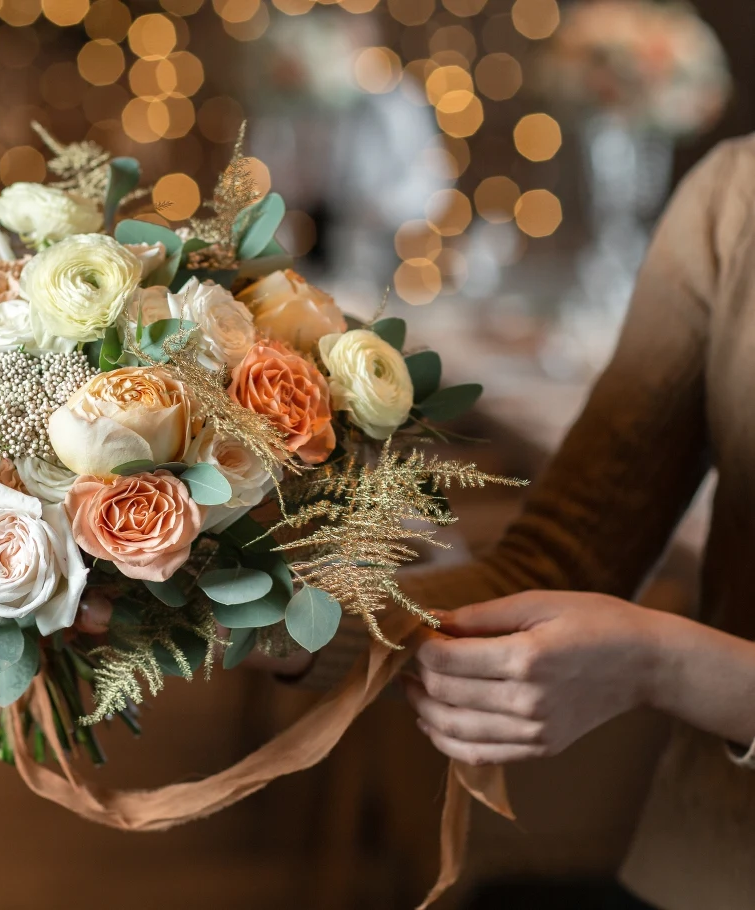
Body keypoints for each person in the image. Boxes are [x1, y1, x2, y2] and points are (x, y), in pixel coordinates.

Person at [285, 136, 755, 909]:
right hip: (713, 865)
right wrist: (250, 616)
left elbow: (646, 652)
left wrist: (663, 665)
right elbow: (554, 566)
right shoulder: (733, 199)